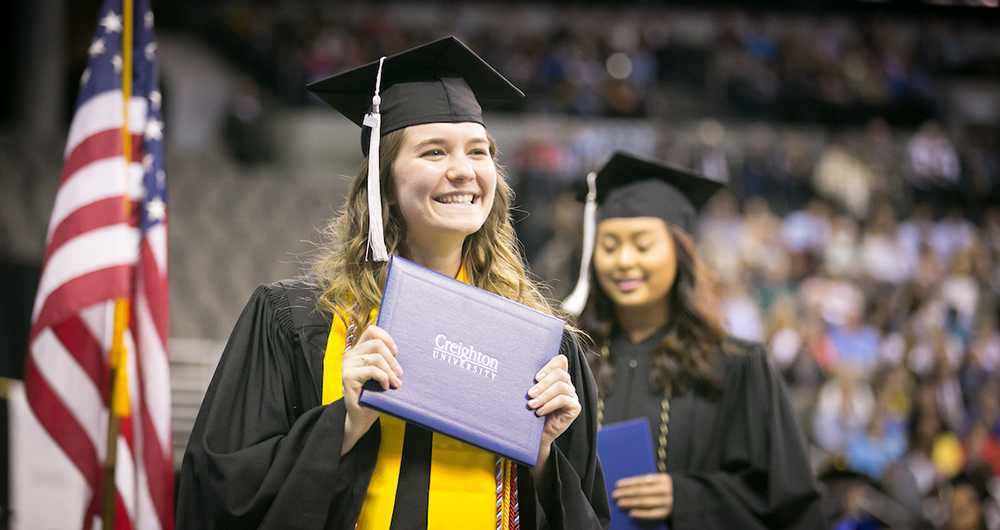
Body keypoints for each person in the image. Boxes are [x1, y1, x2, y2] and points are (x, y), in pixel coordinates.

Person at [177, 37, 610, 530]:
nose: (463, 171)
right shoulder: (296, 321)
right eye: (433, 152)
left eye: (479, 151)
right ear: (383, 180)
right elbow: (215, 497)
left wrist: (543, 456)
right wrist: (343, 424)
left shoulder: (539, 351)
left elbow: (590, 518)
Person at [562, 152, 825, 529]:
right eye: (609, 245)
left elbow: (787, 498)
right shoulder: (572, 356)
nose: (623, 260)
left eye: (642, 244)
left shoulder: (736, 364)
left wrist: (687, 498)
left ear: (680, 252)